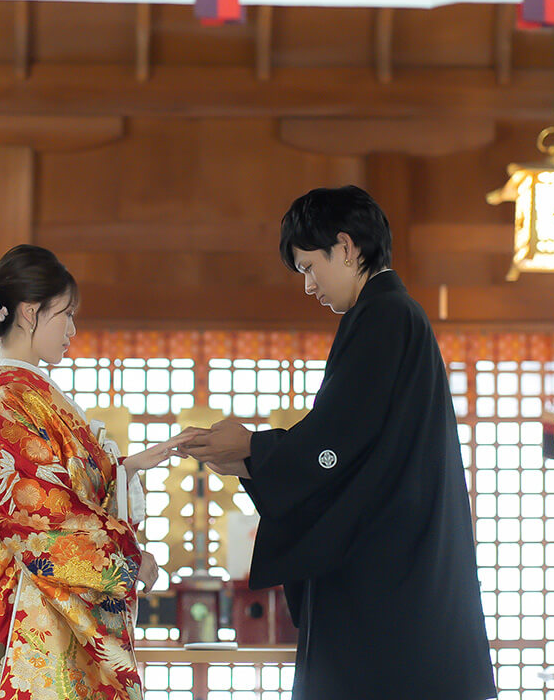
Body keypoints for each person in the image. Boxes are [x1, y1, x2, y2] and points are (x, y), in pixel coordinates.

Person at [179, 186, 496, 700]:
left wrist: (255, 451)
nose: (308, 286)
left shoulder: (385, 317)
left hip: (387, 578)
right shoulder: (394, 316)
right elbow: (352, 444)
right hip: (404, 563)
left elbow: (336, 444)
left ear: (346, 249)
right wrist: (252, 459)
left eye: (308, 267)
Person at [0, 245, 188, 700]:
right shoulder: (9, 402)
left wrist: (123, 470)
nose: (72, 329)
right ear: (30, 312)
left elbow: (59, 489)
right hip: (27, 628)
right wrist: (125, 561)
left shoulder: (26, 397)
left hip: (40, 611)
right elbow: (40, 519)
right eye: (65, 314)